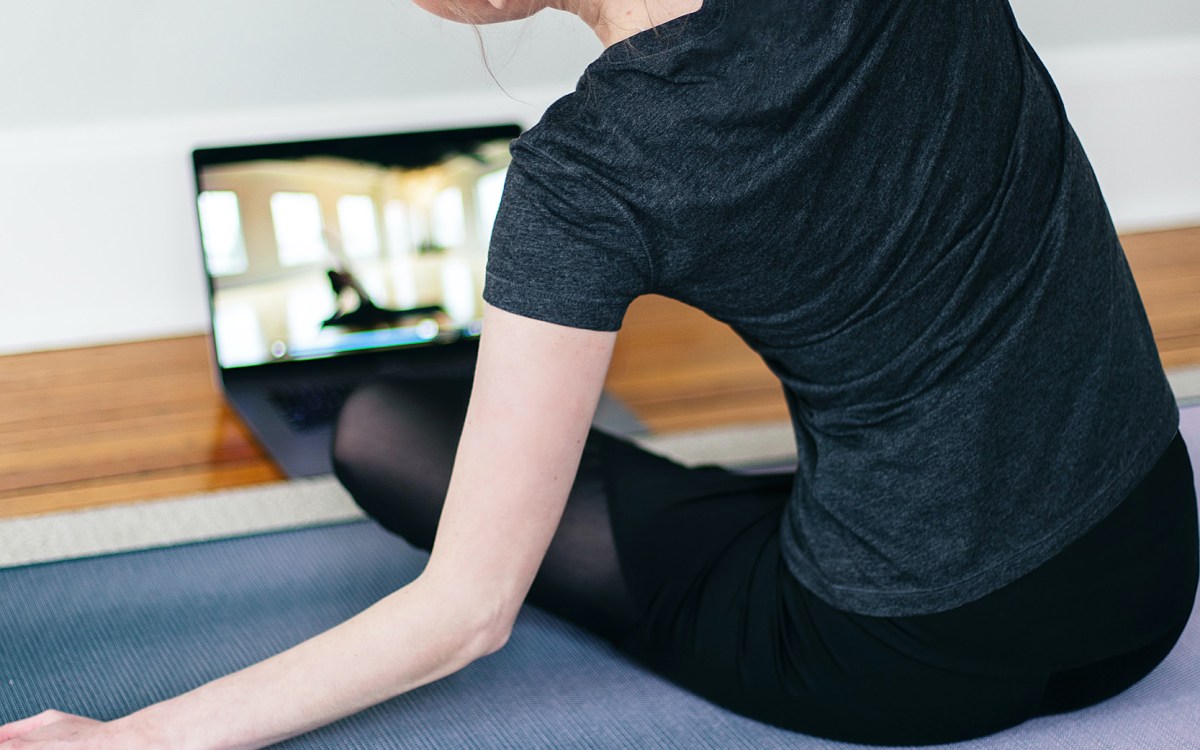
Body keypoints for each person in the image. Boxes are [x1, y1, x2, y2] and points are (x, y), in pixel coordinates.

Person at [2, 0, 1197, 746]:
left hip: (902, 658)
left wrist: (136, 744)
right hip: (1150, 574)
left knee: (380, 426)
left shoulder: (591, 172)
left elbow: (466, 613)